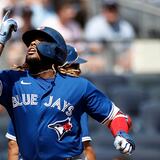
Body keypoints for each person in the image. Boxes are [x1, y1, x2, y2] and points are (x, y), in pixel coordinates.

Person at [0, 11, 135, 159]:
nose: (32, 44)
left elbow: (115, 116)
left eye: (40, 42)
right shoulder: (13, 81)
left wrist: (121, 134)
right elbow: (12, 145)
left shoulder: (79, 86)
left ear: (56, 51)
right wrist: (1, 41)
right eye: (31, 42)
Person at [5, 44, 96, 160]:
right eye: (73, 66)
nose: (78, 71)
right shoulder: (75, 99)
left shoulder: (25, 97)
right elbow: (87, 148)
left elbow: (13, 146)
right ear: (60, 67)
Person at [84, 0, 135, 73]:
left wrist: (127, 59)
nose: (111, 12)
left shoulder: (125, 26)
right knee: (96, 62)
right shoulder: (94, 24)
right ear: (103, 10)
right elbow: (92, 47)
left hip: (119, 60)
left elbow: (130, 49)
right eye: (108, 9)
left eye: (114, 9)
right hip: (99, 59)